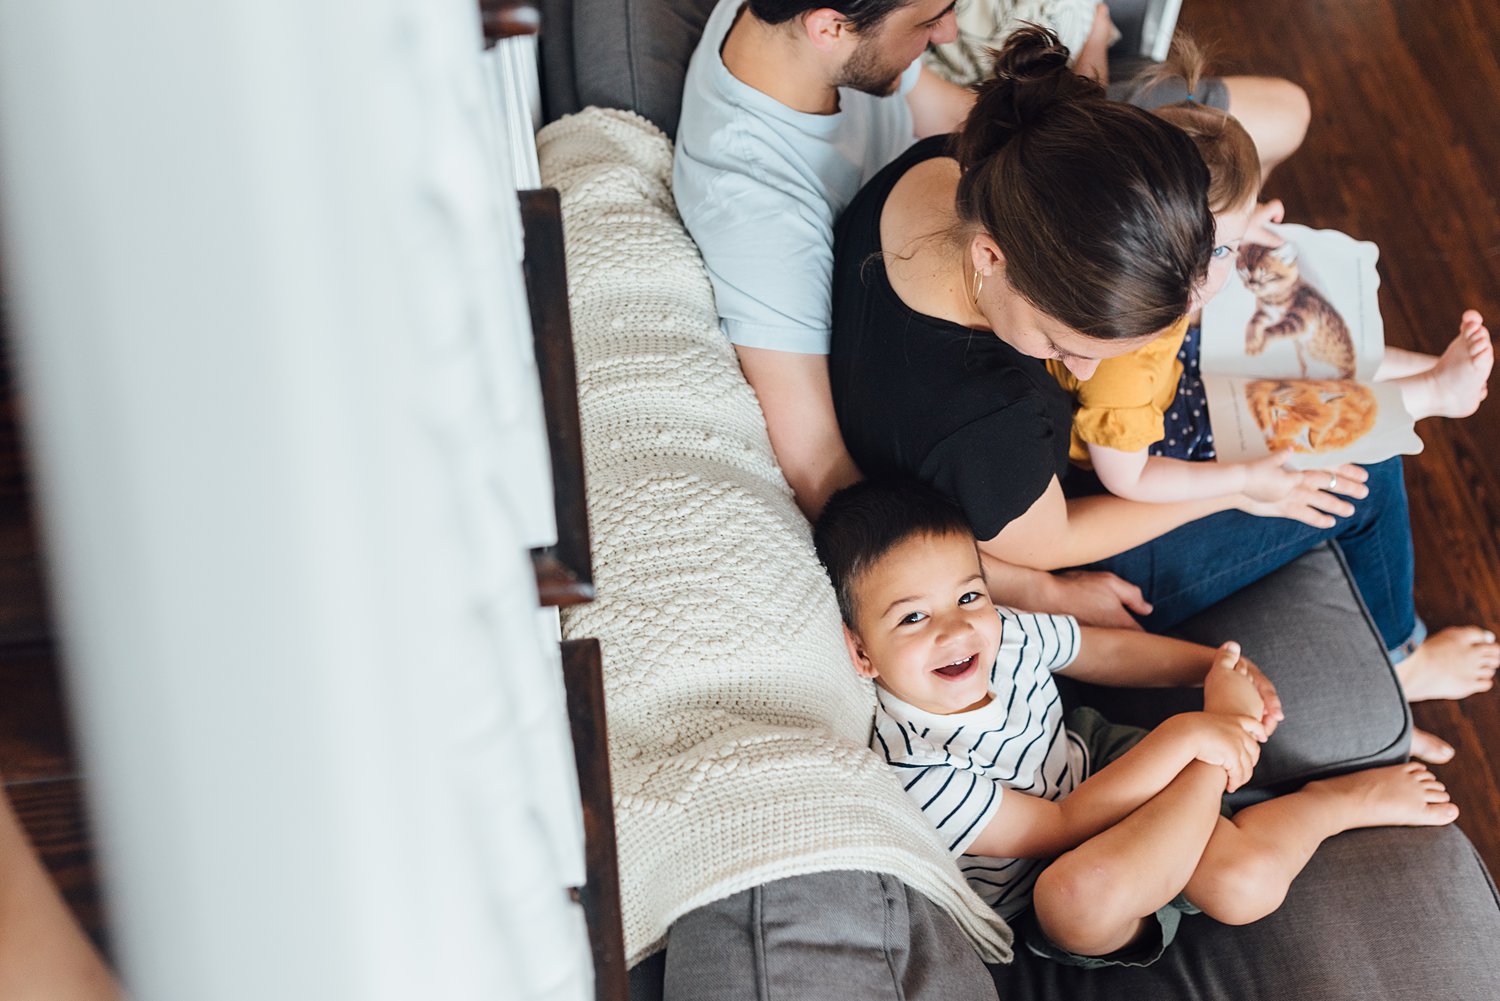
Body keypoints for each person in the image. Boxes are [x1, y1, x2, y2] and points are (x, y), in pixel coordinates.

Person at [826, 27, 1498, 747]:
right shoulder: (979, 421)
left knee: (1264, 333)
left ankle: (1413, 379)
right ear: (992, 257)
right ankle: (1403, 662)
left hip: (1067, 468)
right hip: (1083, 531)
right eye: (1064, 347)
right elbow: (1051, 543)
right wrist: (1237, 487)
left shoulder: (951, 177)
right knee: (1364, 466)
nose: (1077, 373)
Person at [812, 478, 1458, 966]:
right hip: (1063, 863)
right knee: (1094, 897)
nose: (956, 628)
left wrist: (1212, 665)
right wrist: (1195, 736)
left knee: (1241, 886)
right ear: (861, 652)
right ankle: (1256, 774)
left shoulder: (1003, 634)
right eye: (912, 617)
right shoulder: (914, 766)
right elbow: (1059, 826)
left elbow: (1107, 651)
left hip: (1101, 764)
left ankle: (1307, 792)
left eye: (969, 595)